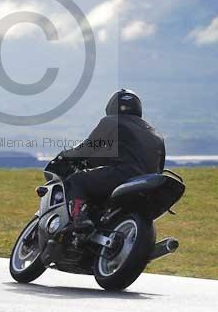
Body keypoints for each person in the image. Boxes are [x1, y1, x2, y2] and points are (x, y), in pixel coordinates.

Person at [49, 89, 166, 234]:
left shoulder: (111, 121)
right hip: (148, 183)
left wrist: (65, 155)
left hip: (124, 175)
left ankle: (80, 219)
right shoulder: (154, 132)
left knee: (77, 180)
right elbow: (159, 166)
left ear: (112, 106)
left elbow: (86, 149)